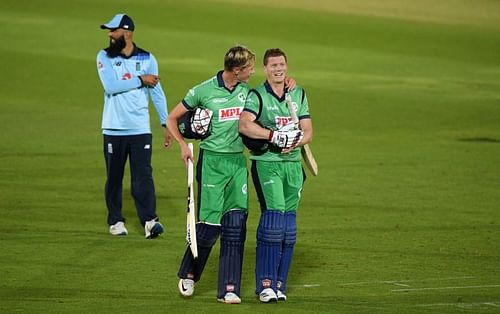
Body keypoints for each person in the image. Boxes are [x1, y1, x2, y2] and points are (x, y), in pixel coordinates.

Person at [166, 46, 255, 304]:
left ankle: (229, 288)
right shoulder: (203, 91)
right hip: (212, 163)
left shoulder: (247, 91)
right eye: (249, 67)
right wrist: (183, 145)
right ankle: (189, 273)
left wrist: (289, 83)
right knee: (208, 228)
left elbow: (269, 99)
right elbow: (172, 118)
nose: (253, 71)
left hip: (237, 163)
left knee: (235, 226)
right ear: (237, 70)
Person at [239, 48, 313, 303]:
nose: (278, 69)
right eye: (273, 66)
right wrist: (273, 136)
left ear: (287, 66)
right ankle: (265, 285)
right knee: (273, 220)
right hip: (267, 163)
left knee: (288, 227)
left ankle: (280, 284)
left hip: (293, 166)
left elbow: (308, 131)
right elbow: (245, 124)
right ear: (265, 69)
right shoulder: (257, 95)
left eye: (282, 64)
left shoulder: (298, 93)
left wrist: (295, 141)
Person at [96, 13, 172, 238]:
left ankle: (150, 221)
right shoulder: (104, 57)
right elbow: (110, 86)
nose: (109, 34)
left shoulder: (148, 58)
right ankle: (116, 221)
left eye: (113, 30)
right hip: (113, 129)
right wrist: (140, 80)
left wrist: (165, 122)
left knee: (143, 176)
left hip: (140, 129)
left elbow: (157, 92)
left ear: (127, 33)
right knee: (114, 177)